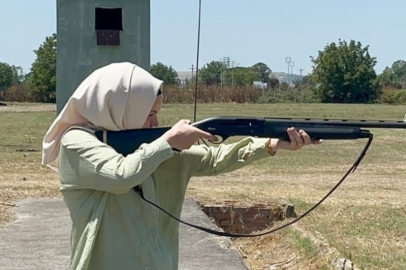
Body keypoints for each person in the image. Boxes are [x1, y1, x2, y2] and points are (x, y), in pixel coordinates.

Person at [42, 62, 322, 270]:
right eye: (148, 114)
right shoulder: (75, 142)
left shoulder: (153, 147)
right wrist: (168, 142)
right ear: (121, 108)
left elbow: (214, 158)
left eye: (157, 114)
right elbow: (121, 175)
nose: (154, 123)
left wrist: (270, 144)